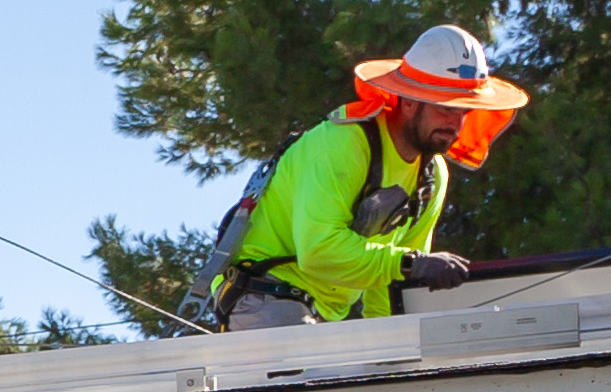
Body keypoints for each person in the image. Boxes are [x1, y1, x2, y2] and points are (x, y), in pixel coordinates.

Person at [210, 24, 532, 328]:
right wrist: (409, 264)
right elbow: (318, 252)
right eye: (446, 107)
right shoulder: (343, 145)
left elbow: (394, 285)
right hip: (264, 295)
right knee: (311, 382)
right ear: (408, 101)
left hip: (320, 314)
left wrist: (395, 347)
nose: (456, 123)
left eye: (464, 111)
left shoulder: (431, 176)